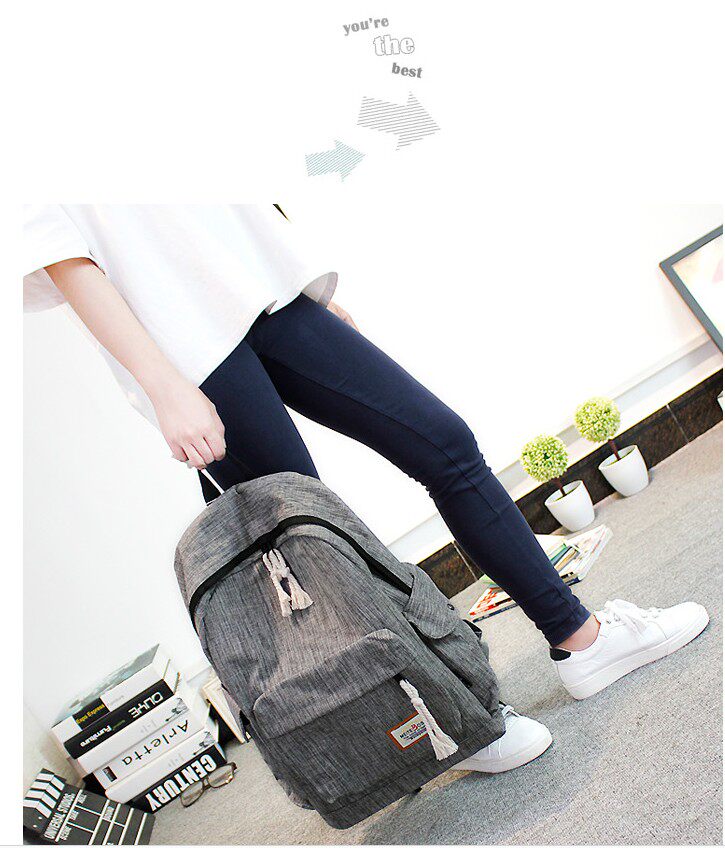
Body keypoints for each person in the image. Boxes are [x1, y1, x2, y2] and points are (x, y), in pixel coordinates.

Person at [24, 204, 709, 775]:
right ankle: (452, 724)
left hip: (264, 298)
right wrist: (163, 387)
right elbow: (66, 253)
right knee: (312, 547)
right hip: (180, 347)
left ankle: (581, 639)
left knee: (443, 444)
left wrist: (301, 288)